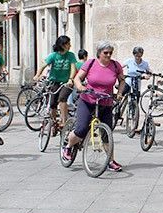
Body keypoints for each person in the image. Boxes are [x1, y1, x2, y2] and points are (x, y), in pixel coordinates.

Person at [63, 41, 125, 172]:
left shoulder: (115, 65)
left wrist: (119, 92)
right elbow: (77, 78)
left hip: (106, 102)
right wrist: (80, 87)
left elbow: (122, 80)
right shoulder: (90, 63)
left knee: (107, 133)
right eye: (105, 53)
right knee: (81, 129)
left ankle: (110, 161)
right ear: (99, 53)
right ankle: (68, 146)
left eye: (110, 53)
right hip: (88, 100)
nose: (108, 55)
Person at [33, 36, 78, 129]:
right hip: (54, 82)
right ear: (63, 45)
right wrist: (37, 75)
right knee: (52, 103)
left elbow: (73, 68)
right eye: (68, 44)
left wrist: (71, 79)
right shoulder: (53, 55)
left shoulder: (71, 55)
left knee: (62, 98)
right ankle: (53, 123)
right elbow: (43, 65)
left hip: (67, 82)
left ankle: (63, 121)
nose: (70, 45)